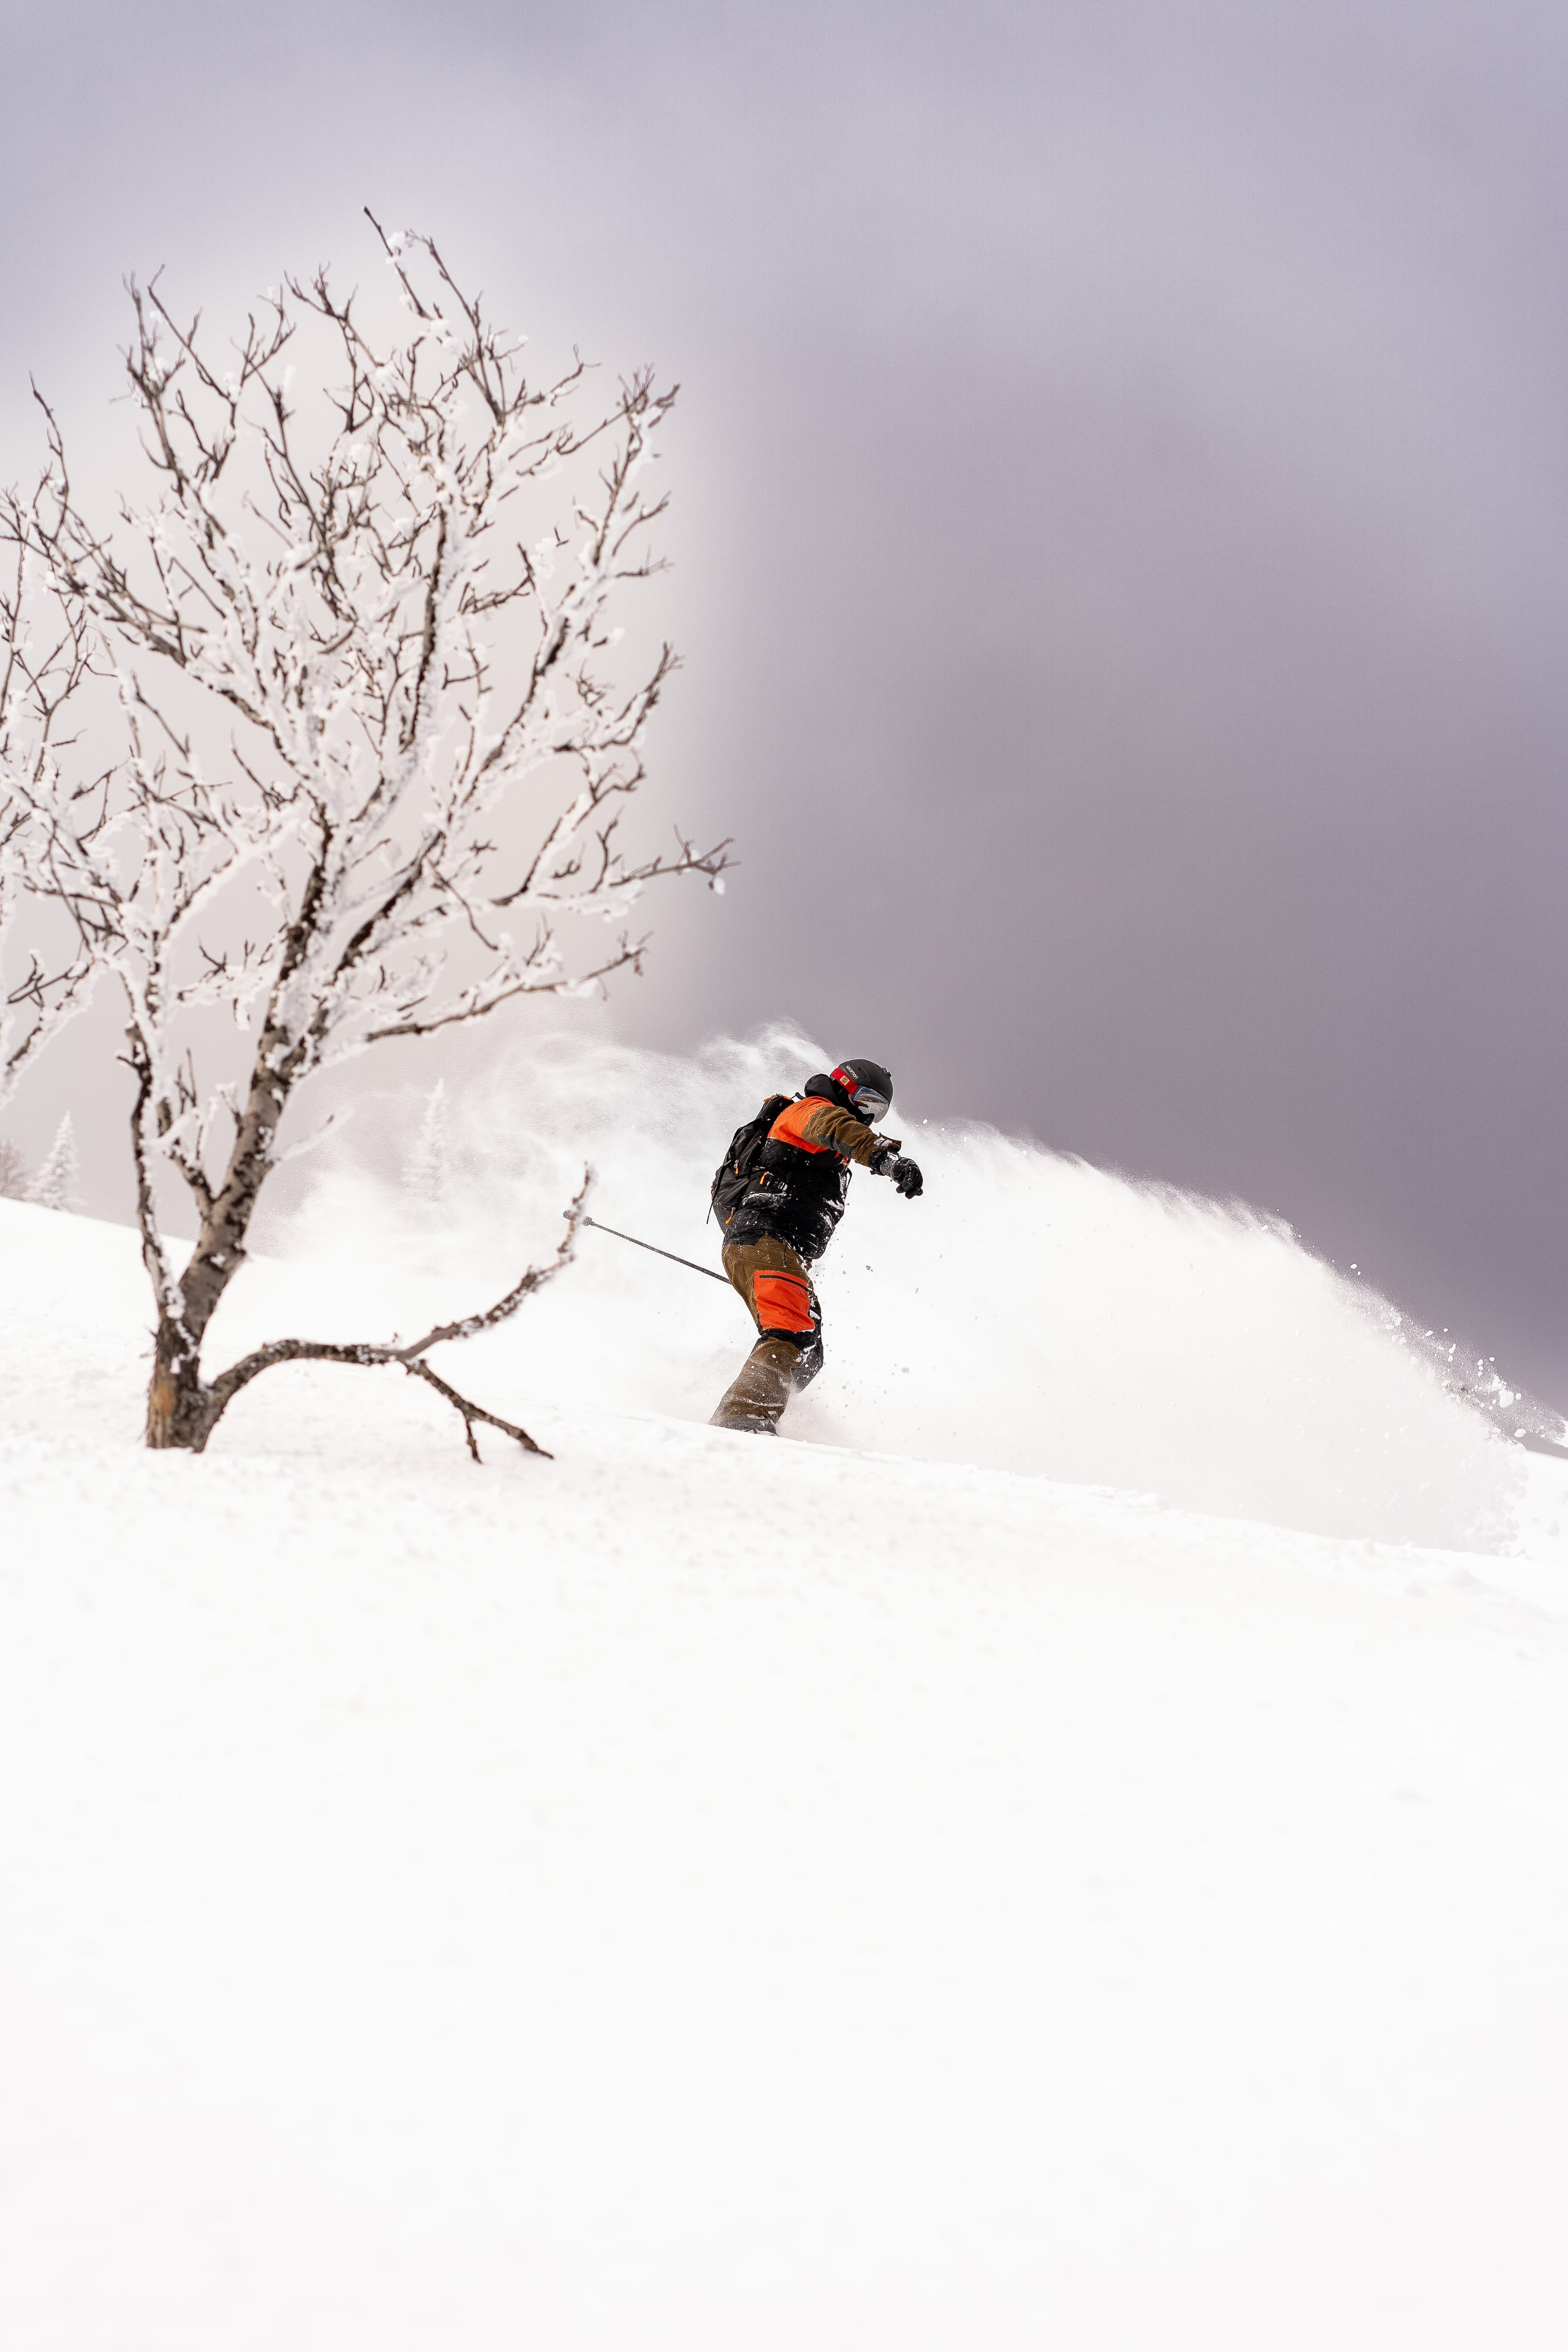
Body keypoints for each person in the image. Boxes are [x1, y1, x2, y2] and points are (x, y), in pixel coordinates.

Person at [710, 1058, 924, 1435]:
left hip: (777, 1246)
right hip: (763, 1237)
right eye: (869, 1103)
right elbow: (837, 1128)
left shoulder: (830, 1151)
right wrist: (887, 1159)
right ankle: (743, 1420)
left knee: (809, 1351)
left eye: (880, 1111)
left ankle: (758, 1408)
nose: (870, 1117)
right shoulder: (812, 1112)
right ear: (848, 1089)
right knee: (790, 1331)